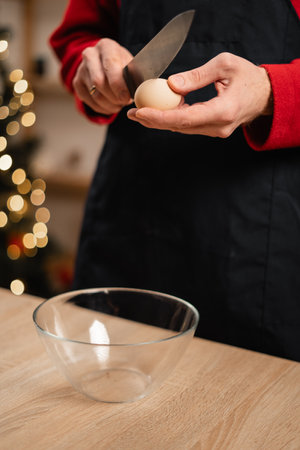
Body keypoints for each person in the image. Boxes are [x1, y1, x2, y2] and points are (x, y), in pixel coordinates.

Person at [50, 0, 300, 361]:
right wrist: (92, 69)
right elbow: (78, 38)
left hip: (267, 237)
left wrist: (272, 91)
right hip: (129, 222)